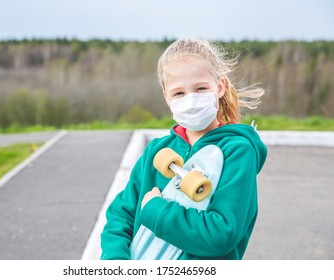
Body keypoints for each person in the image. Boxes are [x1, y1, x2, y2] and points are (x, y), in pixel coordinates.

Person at [100, 38, 267, 260]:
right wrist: (115, 261)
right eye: (179, 93)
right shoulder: (156, 151)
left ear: (219, 87)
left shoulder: (237, 152)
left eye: (200, 88)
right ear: (166, 96)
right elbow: (121, 215)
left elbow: (221, 235)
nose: (191, 100)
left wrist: (155, 211)